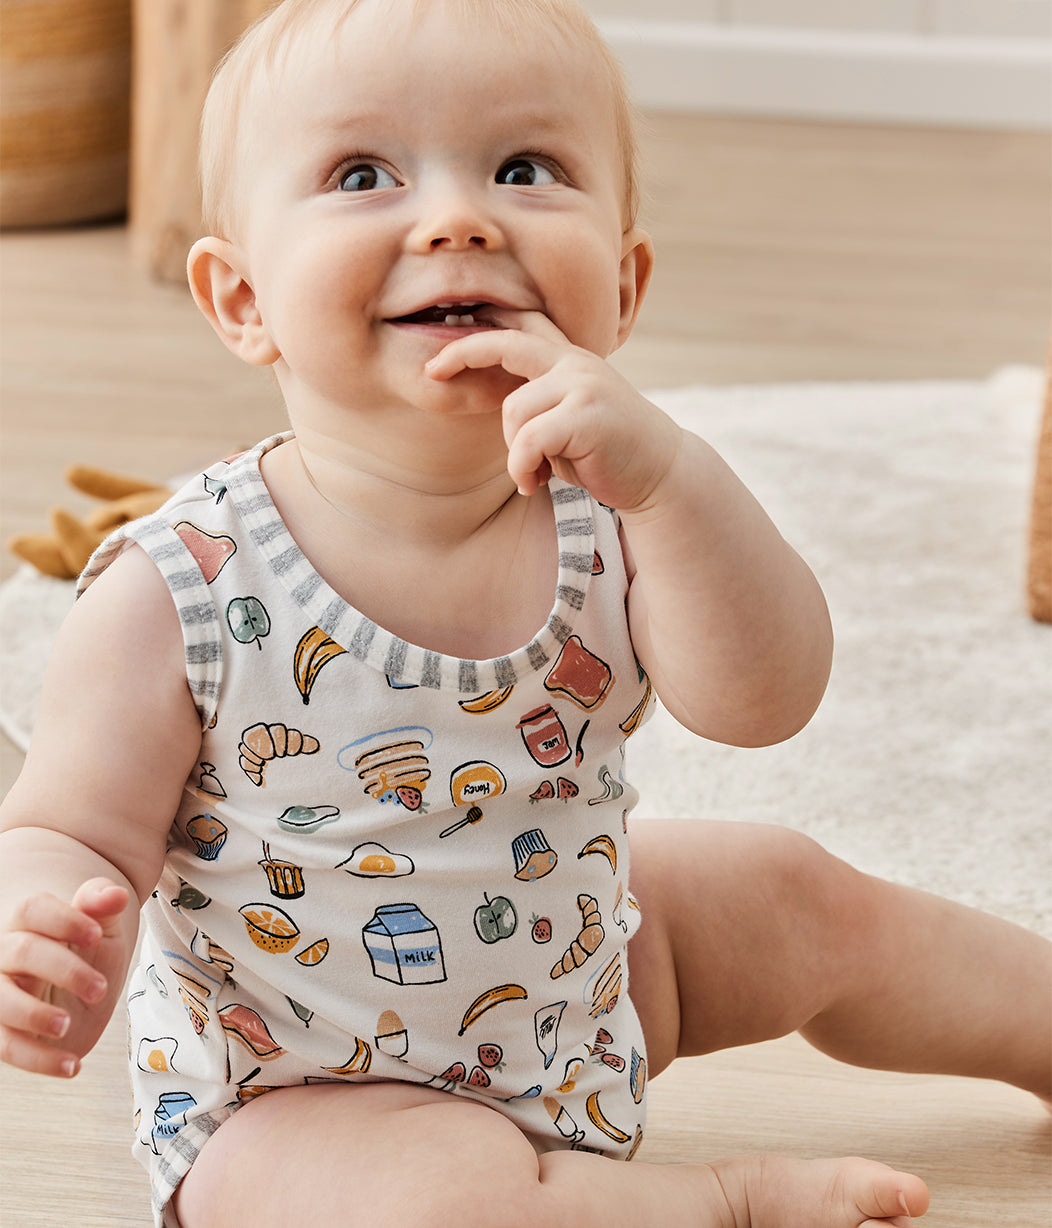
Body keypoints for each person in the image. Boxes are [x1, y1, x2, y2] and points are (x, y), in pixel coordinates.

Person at [1, 1, 1048, 1225]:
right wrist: (46, 924)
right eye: (360, 174)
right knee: (432, 1205)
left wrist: (672, 480)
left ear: (621, 281)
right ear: (241, 300)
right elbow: (73, 826)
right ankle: (718, 1202)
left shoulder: (619, 514)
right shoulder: (176, 583)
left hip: (583, 978)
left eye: (523, 168)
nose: (457, 217)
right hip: (305, 1106)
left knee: (795, 888)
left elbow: (763, 702)